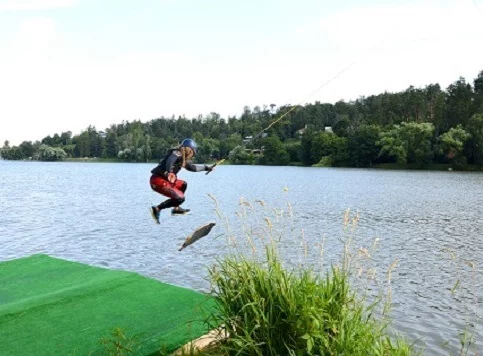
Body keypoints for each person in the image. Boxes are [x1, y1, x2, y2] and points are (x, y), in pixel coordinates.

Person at [149, 138, 214, 224]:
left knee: (183, 184)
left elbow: (192, 167)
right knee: (180, 198)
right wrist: (170, 172)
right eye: (193, 153)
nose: (192, 156)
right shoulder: (177, 153)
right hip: (157, 180)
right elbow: (170, 161)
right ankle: (157, 209)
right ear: (189, 150)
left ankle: (176, 208)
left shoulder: (182, 159)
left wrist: (206, 168)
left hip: (164, 181)